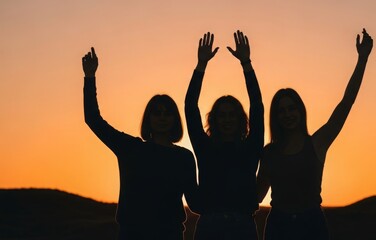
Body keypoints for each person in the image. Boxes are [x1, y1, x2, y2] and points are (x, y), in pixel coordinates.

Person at [256, 28, 374, 239]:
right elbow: (256, 195)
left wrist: (362, 59)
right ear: (275, 117)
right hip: (279, 226)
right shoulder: (269, 153)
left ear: (300, 111)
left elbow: (347, 102)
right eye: (281, 110)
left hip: (311, 224)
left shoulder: (317, 143)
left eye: (292, 108)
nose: (287, 114)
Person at [82, 47, 200, 239]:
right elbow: (93, 120)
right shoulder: (130, 148)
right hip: (133, 234)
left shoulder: (184, 157)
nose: (162, 117)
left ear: (175, 119)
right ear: (149, 118)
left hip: (170, 235)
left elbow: (196, 203)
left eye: (167, 113)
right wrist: (89, 77)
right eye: (157, 112)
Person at [185, 31, 264, 239]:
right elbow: (190, 107)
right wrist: (201, 66)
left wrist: (246, 64)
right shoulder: (205, 147)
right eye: (222, 115)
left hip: (243, 226)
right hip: (210, 226)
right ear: (215, 120)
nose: (227, 119)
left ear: (240, 119)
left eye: (232, 115)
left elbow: (257, 105)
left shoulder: (251, 146)